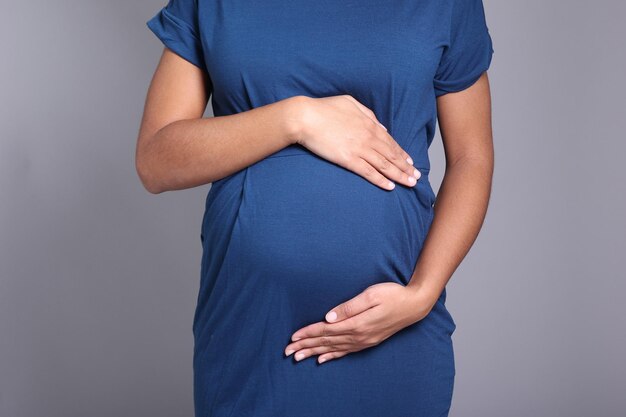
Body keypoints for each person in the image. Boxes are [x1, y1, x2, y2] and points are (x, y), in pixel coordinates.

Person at [136, 0, 494, 415]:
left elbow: (472, 158)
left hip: (394, 323)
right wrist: (297, 119)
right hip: (253, 328)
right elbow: (156, 160)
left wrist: (422, 294)